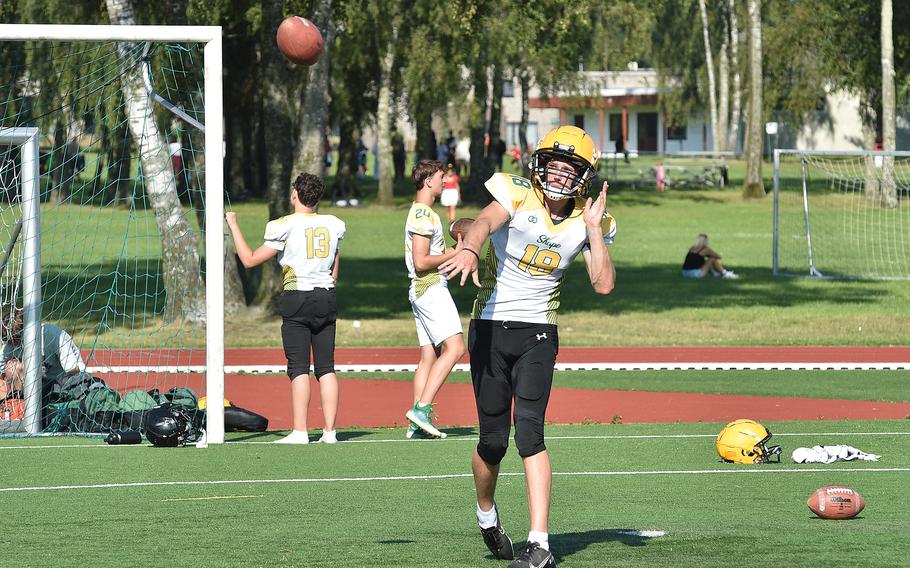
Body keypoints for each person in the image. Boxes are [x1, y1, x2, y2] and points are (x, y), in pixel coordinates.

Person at [439, 125, 616, 568]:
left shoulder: (590, 218)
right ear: (539, 167)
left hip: (539, 331)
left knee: (531, 434)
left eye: (568, 168)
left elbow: (604, 284)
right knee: (493, 442)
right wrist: (471, 250)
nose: (558, 176)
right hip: (491, 328)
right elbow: (481, 223)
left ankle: (540, 545)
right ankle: (486, 513)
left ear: (583, 175)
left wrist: (593, 230)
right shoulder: (517, 193)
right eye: (553, 166)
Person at [226, 173, 346, 444]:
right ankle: (330, 432)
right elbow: (335, 268)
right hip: (326, 295)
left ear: (295, 195)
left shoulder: (284, 225)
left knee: (299, 367)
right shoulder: (333, 224)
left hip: (298, 296)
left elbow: (249, 260)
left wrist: (233, 225)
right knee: (326, 367)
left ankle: (300, 431)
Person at [403, 160, 466, 439]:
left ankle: (417, 424)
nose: (444, 181)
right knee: (455, 348)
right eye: (441, 177)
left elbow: (429, 256)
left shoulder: (424, 213)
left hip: (423, 289)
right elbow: (421, 261)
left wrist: (454, 249)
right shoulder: (422, 214)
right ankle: (421, 409)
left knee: (428, 356)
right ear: (428, 181)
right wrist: (455, 254)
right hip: (429, 288)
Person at [0, 307, 100, 410]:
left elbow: (76, 371)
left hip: (60, 387)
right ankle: (17, 406)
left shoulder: (55, 337)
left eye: (16, 340)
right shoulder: (11, 343)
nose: (13, 344)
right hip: (32, 388)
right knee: (12, 367)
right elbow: (1, 370)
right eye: (9, 341)